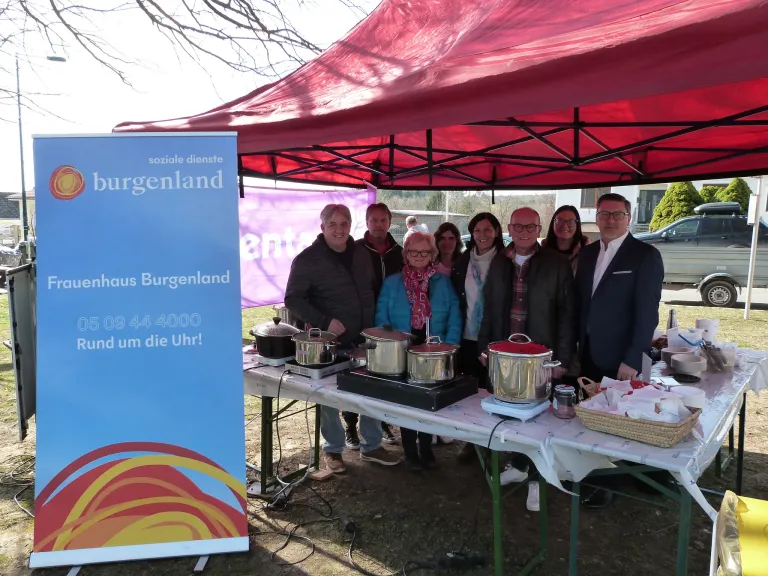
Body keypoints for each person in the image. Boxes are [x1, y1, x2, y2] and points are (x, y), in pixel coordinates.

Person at [285, 204, 401, 473]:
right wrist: (325, 322)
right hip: (329, 344)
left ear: (351, 225)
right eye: (333, 224)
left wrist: (374, 325)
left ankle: (372, 445)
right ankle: (333, 450)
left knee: (371, 390)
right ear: (322, 227)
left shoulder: (360, 253)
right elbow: (292, 298)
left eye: (344, 224)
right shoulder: (307, 259)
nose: (339, 229)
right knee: (328, 397)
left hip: (365, 339)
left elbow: (369, 290)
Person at [478, 207, 574, 509]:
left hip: (540, 355)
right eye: (518, 226)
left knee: (539, 421)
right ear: (508, 227)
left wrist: (561, 359)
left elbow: (566, 314)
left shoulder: (556, 263)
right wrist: (485, 348)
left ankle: (537, 480)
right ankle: (519, 468)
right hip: (506, 354)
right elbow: (490, 309)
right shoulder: (499, 262)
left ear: (539, 228)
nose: (523, 231)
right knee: (511, 415)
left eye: (530, 226)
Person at [574, 193, 664, 507]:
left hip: (620, 356)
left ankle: (609, 485)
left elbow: (647, 313)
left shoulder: (644, 255)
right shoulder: (586, 254)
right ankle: (588, 474)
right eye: (604, 214)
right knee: (592, 416)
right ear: (596, 217)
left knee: (618, 419)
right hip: (587, 352)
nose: (610, 219)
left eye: (617, 214)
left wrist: (632, 358)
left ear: (628, 217)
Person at [375, 231, 461, 471]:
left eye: (424, 251)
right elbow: (382, 315)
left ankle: (426, 446)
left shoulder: (442, 282)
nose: (419, 256)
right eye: (414, 251)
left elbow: (455, 311)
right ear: (406, 254)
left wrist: (451, 343)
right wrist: (388, 343)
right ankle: (410, 451)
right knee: (407, 401)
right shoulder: (393, 282)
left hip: (433, 348)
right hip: (402, 348)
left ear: (432, 254)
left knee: (427, 401)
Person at [344, 203, 403, 448]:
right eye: (373, 220)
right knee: (355, 374)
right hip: (360, 320)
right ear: (366, 222)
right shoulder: (354, 249)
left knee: (384, 374)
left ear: (389, 222)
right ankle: (350, 425)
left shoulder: (399, 252)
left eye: (383, 220)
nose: (378, 225)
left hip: (389, 322)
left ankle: (382, 423)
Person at [451, 212, 506, 464]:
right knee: (471, 391)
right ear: (471, 234)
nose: (482, 235)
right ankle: (472, 442)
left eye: (488, 229)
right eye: (477, 230)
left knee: (493, 391)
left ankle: (493, 443)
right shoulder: (463, 261)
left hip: (495, 337)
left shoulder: (506, 260)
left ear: (496, 231)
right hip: (467, 336)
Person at [542, 205, 591, 274]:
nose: (564, 226)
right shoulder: (542, 251)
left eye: (571, 221)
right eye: (559, 220)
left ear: (577, 225)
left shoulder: (588, 254)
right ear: (553, 223)